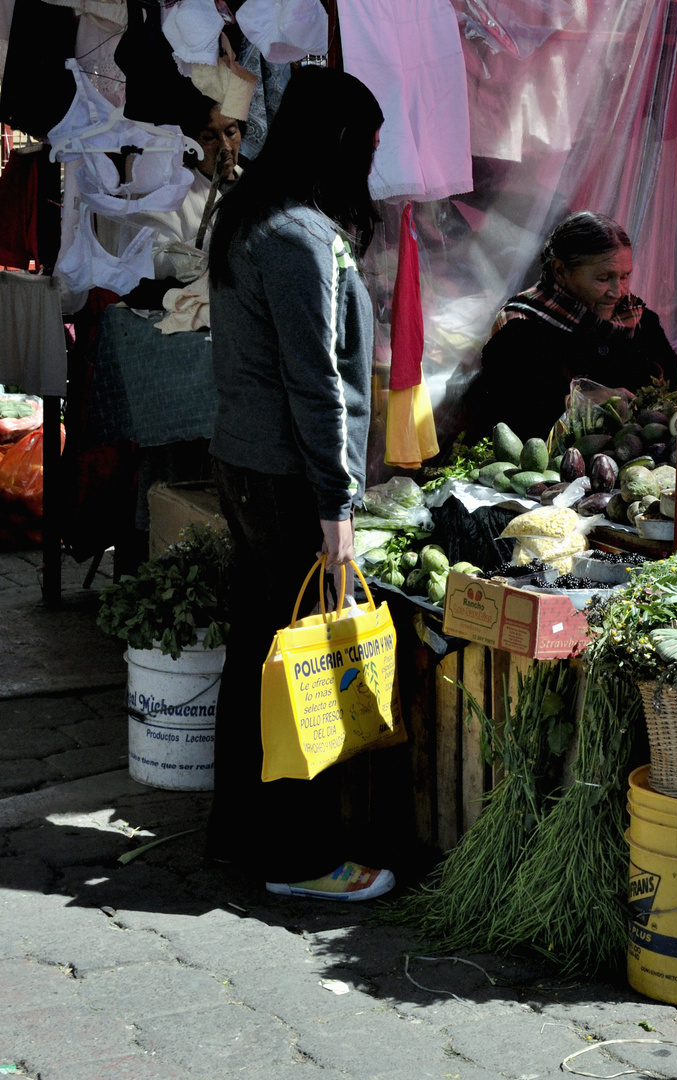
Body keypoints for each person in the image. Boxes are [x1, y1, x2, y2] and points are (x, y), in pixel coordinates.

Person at [204, 67, 395, 902]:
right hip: (284, 479)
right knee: (300, 670)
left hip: (253, 467)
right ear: (339, 146)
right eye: (369, 149)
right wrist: (337, 503)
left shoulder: (259, 216)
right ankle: (300, 858)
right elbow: (319, 383)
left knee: (258, 655)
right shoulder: (297, 238)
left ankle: (241, 835)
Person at [460, 211, 677, 442]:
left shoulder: (640, 321)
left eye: (625, 276)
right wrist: (585, 402)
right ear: (561, 271)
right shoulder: (520, 329)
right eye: (603, 278)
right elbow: (505, 418)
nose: (618, 292)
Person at [104, 91, 245, 308]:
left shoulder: (256, 185)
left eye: (231, 132)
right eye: (209, 137)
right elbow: (153, 262)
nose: (225, 146)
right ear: (191, 142)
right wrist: (217, 242)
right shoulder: (169, 195)